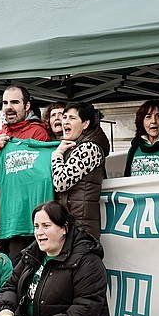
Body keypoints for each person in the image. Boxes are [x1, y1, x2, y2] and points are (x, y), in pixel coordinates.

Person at [0, 84, 53, 254]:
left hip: (21, 221)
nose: (8, 107)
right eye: (5, 103)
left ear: (27, 106)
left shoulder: (38, 133)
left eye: (15, 102)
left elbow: (35, 179)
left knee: (19, 273)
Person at [52, 101, 109, 239]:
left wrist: (57, 155)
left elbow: (60, 182)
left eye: (72, 118)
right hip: (73, 225)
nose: (65, 122)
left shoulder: (89, 148)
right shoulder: (75, 145)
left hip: (81, 228)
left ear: (85, 124)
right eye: (64, 117)